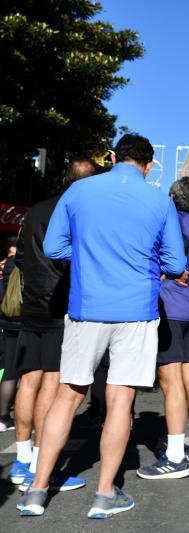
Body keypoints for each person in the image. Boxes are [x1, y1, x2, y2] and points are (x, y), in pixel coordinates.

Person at [18, 133, 187, 518]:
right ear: (149, 165)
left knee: (68, 395)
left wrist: (89, 257)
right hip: (136, 310)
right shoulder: (159, 200)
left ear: (113, 157)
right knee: (120, 399)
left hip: (85, 305)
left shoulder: (79, 193)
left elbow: (54, 248)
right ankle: (104, 495)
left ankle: (37, 489)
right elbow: (176, 265)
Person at [10, 157, 98, 491]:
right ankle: (37, 466)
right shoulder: (80, 212)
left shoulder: (35, 210)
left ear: (64, 178)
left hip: (31, 302)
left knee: (28, 380)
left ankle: (21, 459)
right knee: (53, 382)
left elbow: (20, 257)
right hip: (61, 302)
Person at [137, 176, 189, 480]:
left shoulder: (166, 225)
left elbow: (153, 264)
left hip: (170, 307)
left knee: (170, 383)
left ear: (171, 196)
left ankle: (174, 456)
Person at [1, 236, 20, 432]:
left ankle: (3, 416)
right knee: (32, 374)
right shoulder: (28, 263)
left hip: (8, 321)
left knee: (10, 370)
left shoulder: (6, 265)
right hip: (26, 321)